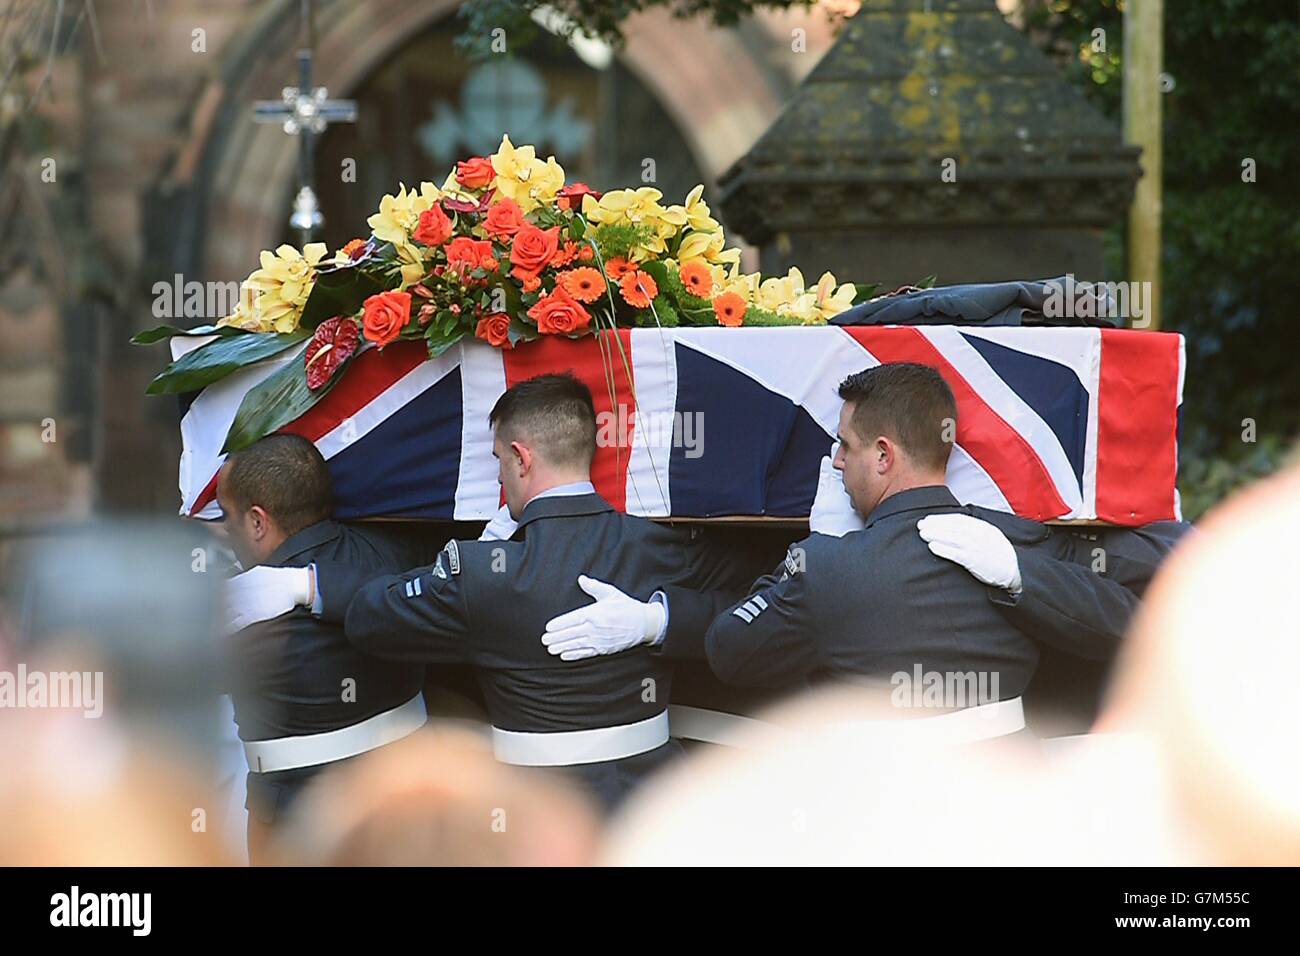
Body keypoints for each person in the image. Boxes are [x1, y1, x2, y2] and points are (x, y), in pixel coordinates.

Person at [221, 374, 755, 810]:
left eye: (499, 460)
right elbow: (755, 606)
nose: (500, 477)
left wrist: (305, 582)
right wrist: (658, 620)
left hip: (537, 809)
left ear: (522, 459)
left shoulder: (479, 572)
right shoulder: (659, 544)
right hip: (656, 799)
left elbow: (371, 618)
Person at [216, 435, 434, 861]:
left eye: (228, 517)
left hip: (296, 826)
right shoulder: (395, 556)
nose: (224, 530)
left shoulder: (233, 610)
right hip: (408, 805)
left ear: (259, 522)